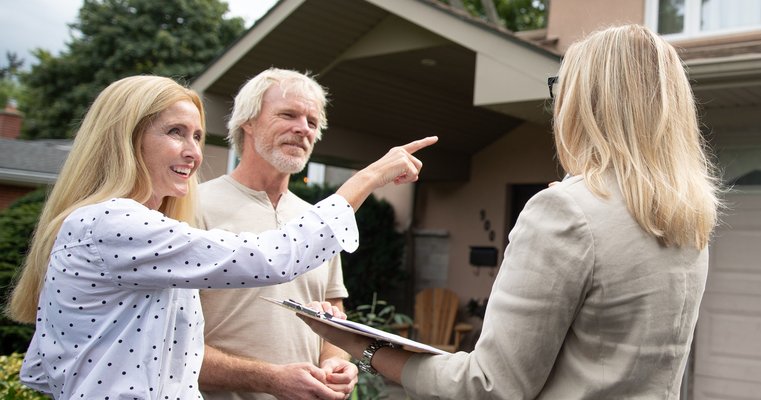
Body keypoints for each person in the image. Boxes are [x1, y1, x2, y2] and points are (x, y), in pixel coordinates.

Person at [304, 24, 722, 399]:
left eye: (561, 87)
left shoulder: (566, 211)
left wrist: (363, 346)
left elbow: (490, 385)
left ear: (585, 102)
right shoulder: (687, 219)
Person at [5, 75, 437, 399]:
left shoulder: (142, 222)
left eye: (197, 136)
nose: (194, 152)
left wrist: (334, 350)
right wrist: (369, 177)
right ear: (125, 137)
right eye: (175, 132)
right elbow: (274, 258)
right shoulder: (111, 223)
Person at [195, 69, 356, 400]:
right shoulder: (193, 205)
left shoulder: (319, 220)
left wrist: (336, 361)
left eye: (312, 122)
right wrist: (269, 379)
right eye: (288, 114)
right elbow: (168, 344)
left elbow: (333, 308)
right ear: (248, 122)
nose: (303, 128)